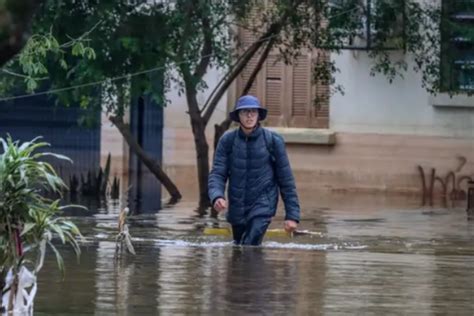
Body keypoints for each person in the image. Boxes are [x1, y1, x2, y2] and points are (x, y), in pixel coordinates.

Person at [208, 95, 300, 246]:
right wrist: (216, 196)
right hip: (237, 206)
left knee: (250, 244)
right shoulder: (227, 140)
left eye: (253, 112)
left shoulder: (273, 141)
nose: (249, 116)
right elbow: (218, 173)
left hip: (263, 204)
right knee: (239, 247)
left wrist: (292, 216)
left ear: (259, 115)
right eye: (245, 112)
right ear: (238, 116)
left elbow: (286, 180)